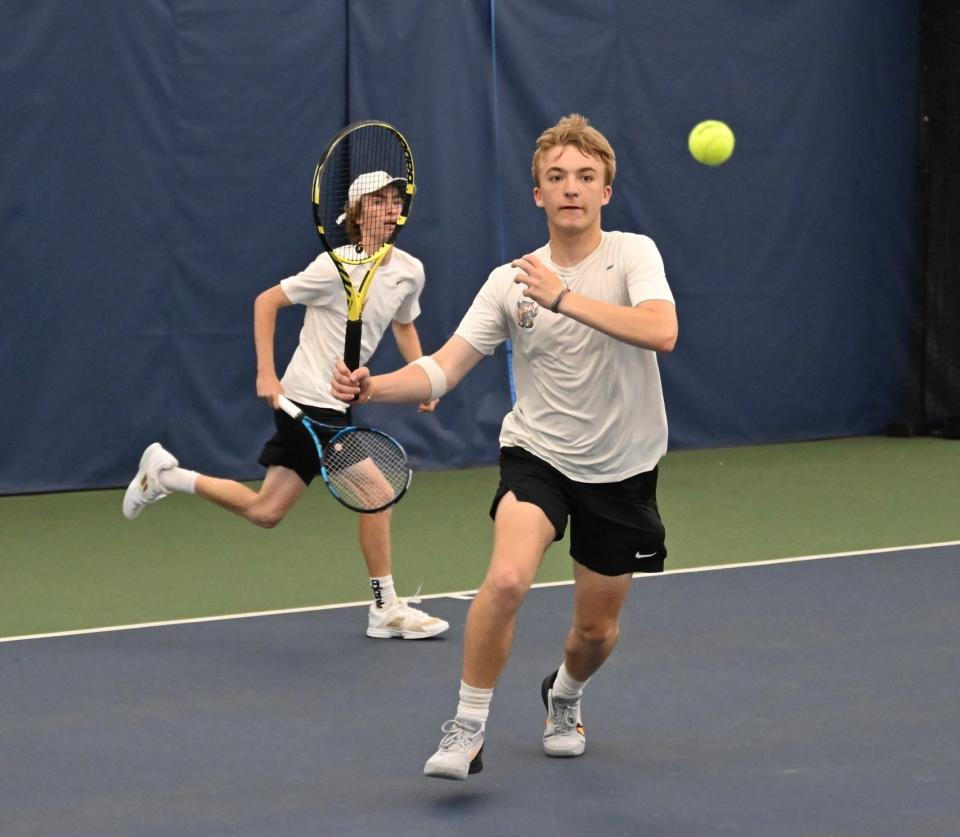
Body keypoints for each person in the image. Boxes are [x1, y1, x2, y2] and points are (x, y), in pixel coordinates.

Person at [331, 114, 678, 779]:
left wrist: (565, 298)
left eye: (585, 177)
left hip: (624, 467)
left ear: (606, 191)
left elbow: (662, 330)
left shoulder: (634, 254)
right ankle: (467, 725)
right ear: (537, 196)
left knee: (596, 632)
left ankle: (564, 694)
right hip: (538, 453)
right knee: (509, 576)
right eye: (556, 177)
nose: (570, 188)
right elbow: (443, 368)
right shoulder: (507, 280)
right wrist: (375, 385)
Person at [122, 171, 450, 641]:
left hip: (337, 407)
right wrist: (266, 373)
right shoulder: (331, 268)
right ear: (357, 215)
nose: (388, 206)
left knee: (266, 511)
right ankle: (386, 607)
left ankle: (166, 475)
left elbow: (403, 325)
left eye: (394, 198)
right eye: (376, 200)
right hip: (305, 402)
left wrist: (424, 376)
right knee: (378, 495)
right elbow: (265, 303)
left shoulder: (410, 271)